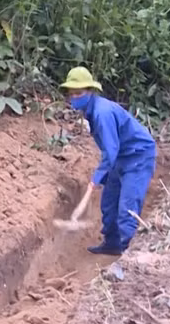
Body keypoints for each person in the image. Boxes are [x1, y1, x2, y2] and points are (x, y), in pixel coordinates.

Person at [61, 67, 156, 256]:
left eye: (79, 93)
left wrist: (96, 179)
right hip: (121, 156)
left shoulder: (102, 113)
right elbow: (112, 150)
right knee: (108, 203)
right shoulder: (91, 110)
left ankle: (128, 257)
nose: (74, 97)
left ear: (90, 91)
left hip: (138, 156)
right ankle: (112, 244)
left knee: (127, 209)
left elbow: (110, 150)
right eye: (72, 94)